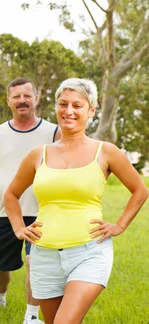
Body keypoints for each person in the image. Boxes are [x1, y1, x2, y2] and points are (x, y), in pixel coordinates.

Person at [3, 78, 148, 324]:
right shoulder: (39, 154)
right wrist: (18, 227)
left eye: (78, 106)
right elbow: (11, 194)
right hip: (44, 256)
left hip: (89, 252)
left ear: (91, 111)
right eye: (63, 104)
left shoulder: (106, 151)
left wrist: (119, 225)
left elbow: (140, 190)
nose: (69, 111)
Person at [0, 78, 59, 324]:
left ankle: (31, 316)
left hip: (42, 211)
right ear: (8, 101)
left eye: (27, 95)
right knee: (2, 267)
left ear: (36, 98)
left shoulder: (54, 131)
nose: (22, 100)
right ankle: (1, 296)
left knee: (35, 263)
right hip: (4, 210)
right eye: (16, 96)